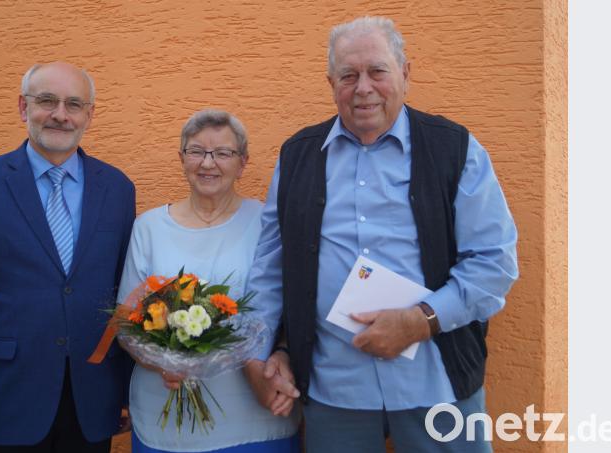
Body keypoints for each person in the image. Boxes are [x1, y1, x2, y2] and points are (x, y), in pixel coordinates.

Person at [245, 16, 519, 453]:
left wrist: (419, 321)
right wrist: (256, 357)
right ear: (331, 82)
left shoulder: (456, 149)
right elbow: (270, 269)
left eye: (378, 71)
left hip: (436, 381)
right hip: (334, 390)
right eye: (348, 76)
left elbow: (494, 263)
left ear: (406, 73)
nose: (363, 88)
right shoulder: (297, 156)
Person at [0, 61, 135, 453]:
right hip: (5, 399)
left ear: (89, 116)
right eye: (47, 101)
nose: (61, 115)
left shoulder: (117, 188)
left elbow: (123, 296)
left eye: (74, 104)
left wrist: (126, 386)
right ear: (23, 108)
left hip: (91, 399)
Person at [116, 109, 301, 453]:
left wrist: (285, 354)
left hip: (254, 416)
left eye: (223, 153)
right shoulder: (150, 227)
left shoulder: (268, 222)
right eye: (196, 151)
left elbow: (295, 306)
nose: (208, 163)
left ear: (243, 162)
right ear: (182, 159)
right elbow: (126, 321)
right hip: (165, 419)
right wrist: (162, 362)